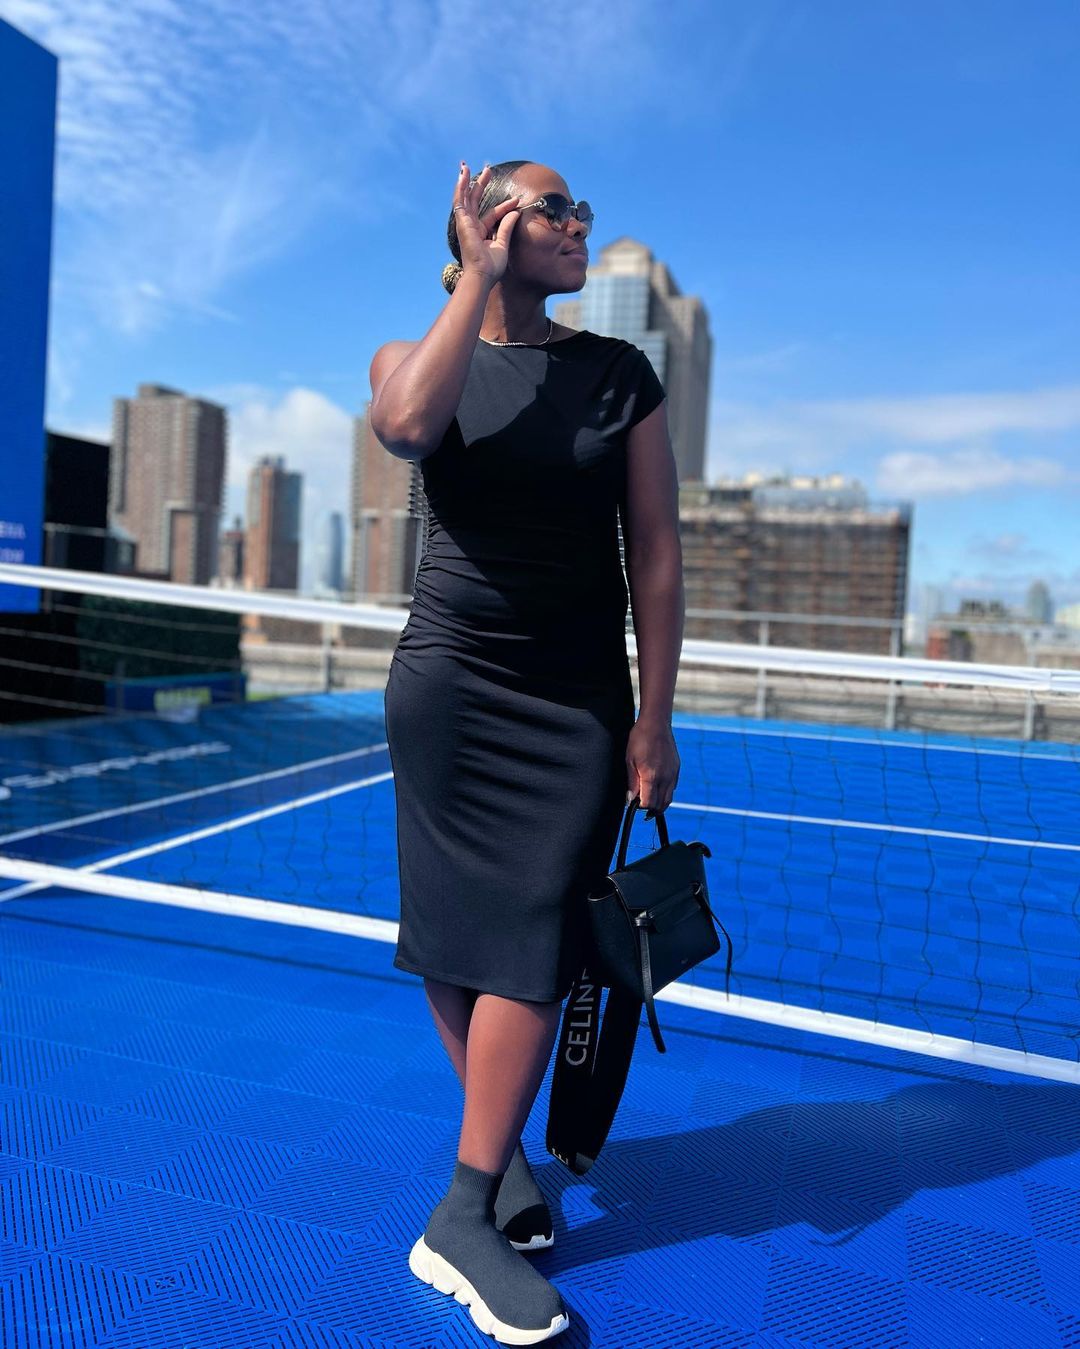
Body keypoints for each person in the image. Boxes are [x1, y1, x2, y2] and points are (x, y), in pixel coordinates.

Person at [370, 158, 683, 1344]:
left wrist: (656, 712)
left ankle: (462, 1205)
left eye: (580, 209)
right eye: (554, 208)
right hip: (450, 691)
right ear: (491, 220)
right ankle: (487, 1174)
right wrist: (476, 279)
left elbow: (656, 551)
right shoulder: (411, 357)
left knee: (538, 941)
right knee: (456, 932)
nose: (578, 224)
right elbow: (408, 427)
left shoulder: (620, 373)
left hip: (575, 703)